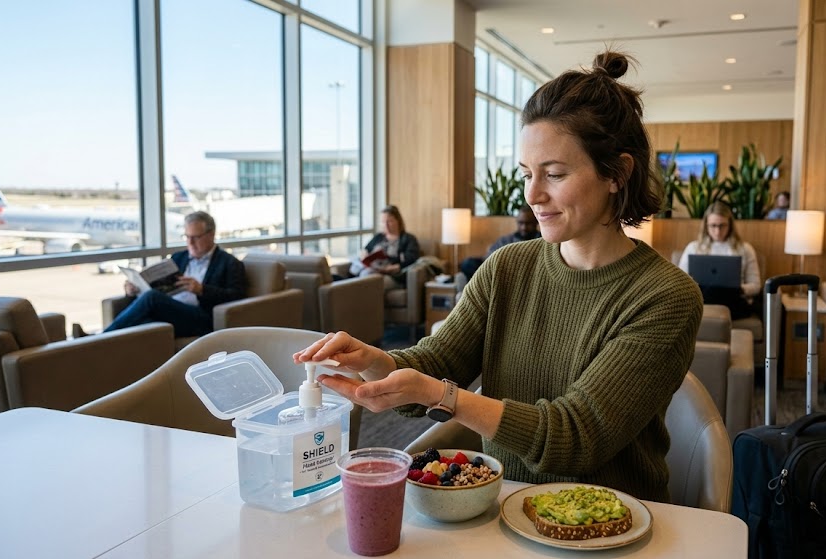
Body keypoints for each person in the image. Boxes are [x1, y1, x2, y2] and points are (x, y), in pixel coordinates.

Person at [295, 51, 703, 503]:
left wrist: (444, 396)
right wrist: (372, 360)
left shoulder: (666, 296)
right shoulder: (508, 266)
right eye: (527, 174)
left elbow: (574, 438)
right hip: (505, 511)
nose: (533, 194)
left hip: (615, 525)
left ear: (617, 173)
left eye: (555, 174)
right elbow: (436, 365)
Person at [79, 211, 247, 338]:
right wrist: (135, 289)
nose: (190, 243)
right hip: (170, 310)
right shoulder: (179, 258)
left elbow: (237, 297)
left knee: (152, 298)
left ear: (211, 235)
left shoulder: (229, 263)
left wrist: (202, 289)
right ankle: (103, 349)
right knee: (143, 324)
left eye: (195, 237)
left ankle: (97, 339)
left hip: (200, 317)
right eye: (187, 237)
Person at [678, 202, 761, 320]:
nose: (717, 231)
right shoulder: (693, 248)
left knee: (720, 292)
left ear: (730, 225)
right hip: (703, 299)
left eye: (722, 225)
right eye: (713, 225)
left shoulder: (745, 249)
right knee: (706, 291)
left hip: (733, 302)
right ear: (706, 226)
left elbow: (756, 286)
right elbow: (681, 282)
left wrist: (739, 288)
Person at [459, 204, 540, 279]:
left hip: (520, 273)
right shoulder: (506, 239)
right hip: (497, 270)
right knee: (468, 263)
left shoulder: (541, 241)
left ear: (536, 222)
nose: (524, 228)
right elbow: (488, 259)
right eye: (521, 223)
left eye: (528, 223)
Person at [351, 205, 421, 289]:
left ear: (398, 221)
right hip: (373, 269)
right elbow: (366, 249)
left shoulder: (408, 239)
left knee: (366, 277)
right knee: (358, 266)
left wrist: (394, 267)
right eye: (383, 222)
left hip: (392, 275)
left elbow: (412, 259)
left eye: (389, 221)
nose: (386, 225)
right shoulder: (379, 237)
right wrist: (364, 254)